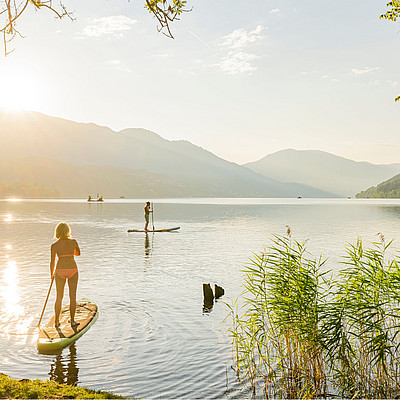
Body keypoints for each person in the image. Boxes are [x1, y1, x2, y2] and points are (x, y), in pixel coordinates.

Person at [50, 222, 80, 328]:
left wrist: (51, 274)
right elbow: (78, 253)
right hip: (72, 270)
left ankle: (57, 322)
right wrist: (71, 250)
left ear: (57, 232)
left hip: (60, 271)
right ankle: (72, 321)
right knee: (72, 297)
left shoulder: (54, 246)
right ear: (68, 231)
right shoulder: (73, 242)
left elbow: (52, 262)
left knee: (59, 297)